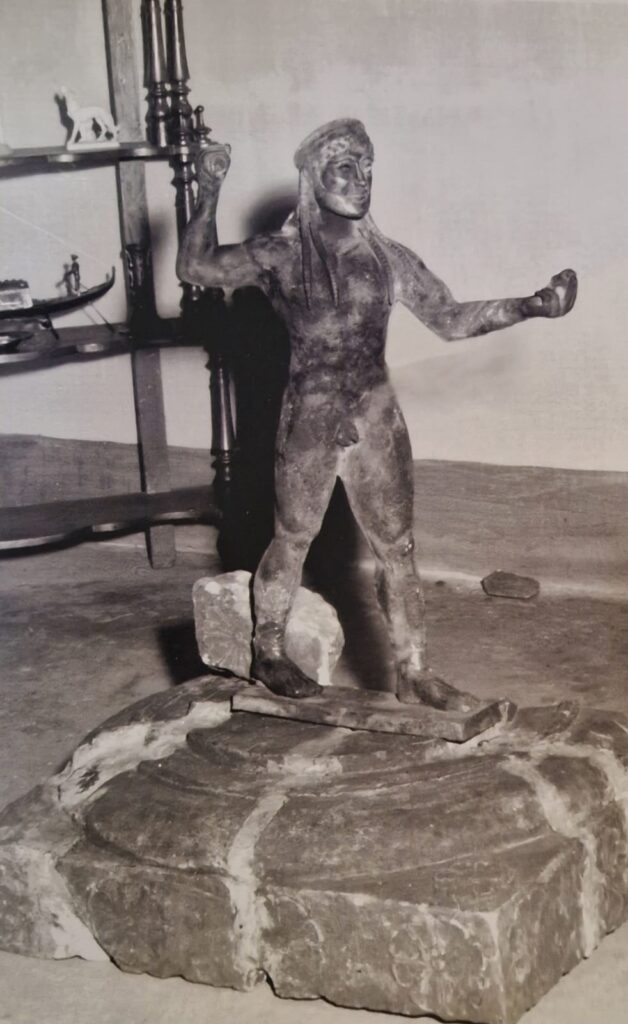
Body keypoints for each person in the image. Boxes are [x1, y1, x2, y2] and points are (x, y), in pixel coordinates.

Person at [177, 118, 577, 709]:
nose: (362, 179)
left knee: (399, 548)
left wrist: (530, 306)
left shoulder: (387, 258)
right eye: (346, 167)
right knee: (293, 538)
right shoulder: (278, 254)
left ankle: (413, 671)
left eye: (368, 166)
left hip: (375, 414)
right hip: (311, 416)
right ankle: (268, 650)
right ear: (314, 178)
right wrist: (209, 189)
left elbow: (450, 318)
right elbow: (196, 267)